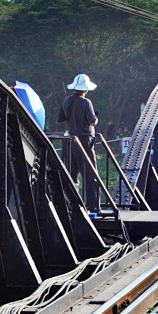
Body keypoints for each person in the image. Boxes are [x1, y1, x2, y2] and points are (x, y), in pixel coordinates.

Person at [57, 73, 100, 212]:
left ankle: (72, 206)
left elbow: (62, 119)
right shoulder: (86, 102)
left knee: (71, 174)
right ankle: (93, 206)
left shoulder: (66, 100)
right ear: (86, 89)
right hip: (84, 141)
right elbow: (92, 121)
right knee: (90, 174)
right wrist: (96, 119)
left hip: (69, 141)